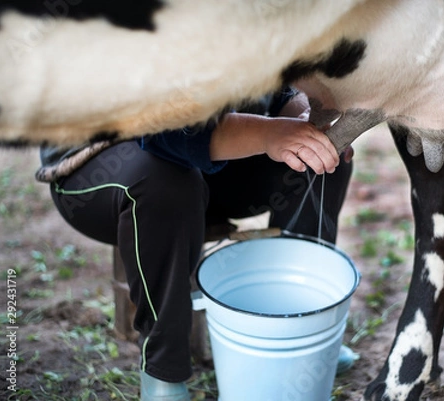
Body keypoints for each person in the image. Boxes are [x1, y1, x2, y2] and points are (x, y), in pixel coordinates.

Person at [36, 87, 354, 400]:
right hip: (101, 165)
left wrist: (302, 117)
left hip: (216, 150)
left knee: (323, 155)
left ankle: (303, 338)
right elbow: (167, 134)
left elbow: (277, 90)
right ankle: (163, 371)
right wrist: (269, 135)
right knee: (164, 181)